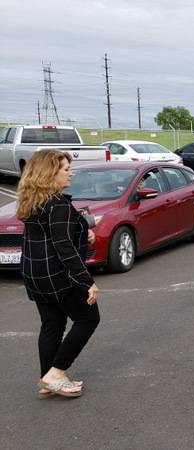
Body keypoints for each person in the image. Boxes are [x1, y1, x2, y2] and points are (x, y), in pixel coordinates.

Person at [17, 150, 100, 398]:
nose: (70, 172)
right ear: (50, 174)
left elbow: (49, 235)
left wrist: (83, 231)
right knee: (88, 319)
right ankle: (57, 372)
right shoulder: (58, 204)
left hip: (34, 274)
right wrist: (88, 282)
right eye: (65, 169)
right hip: (58, 276)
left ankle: (47, 379)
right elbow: (62, 246)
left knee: (51, 324)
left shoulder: (32, 201)